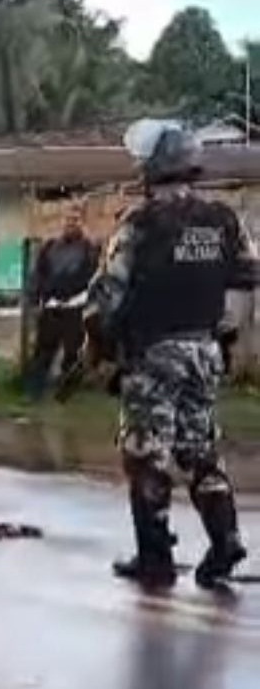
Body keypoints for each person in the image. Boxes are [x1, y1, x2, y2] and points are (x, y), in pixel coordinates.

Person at [89, 120, 257, 589]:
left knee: (146, 454)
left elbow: (108, 295)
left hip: (154, 351)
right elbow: (246, 277)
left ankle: (155, 557)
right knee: (201, 449)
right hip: (204, 348)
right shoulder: (224, 219)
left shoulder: (139, 223)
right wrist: (221, 335)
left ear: (153, 168)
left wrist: (100, 343)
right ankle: (225, 537)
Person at [26, 199, 100, 399]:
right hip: (51, 307)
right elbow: (38, 275)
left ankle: (66, 395)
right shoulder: (50, 247)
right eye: (68, 219)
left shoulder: (89, 249)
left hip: (75, 308)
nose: (70, 223)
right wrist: (35, 299)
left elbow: (94, 277)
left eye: (75, 220)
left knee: (73, 355)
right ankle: (34, 394)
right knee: (42, 353)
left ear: (81, 223)